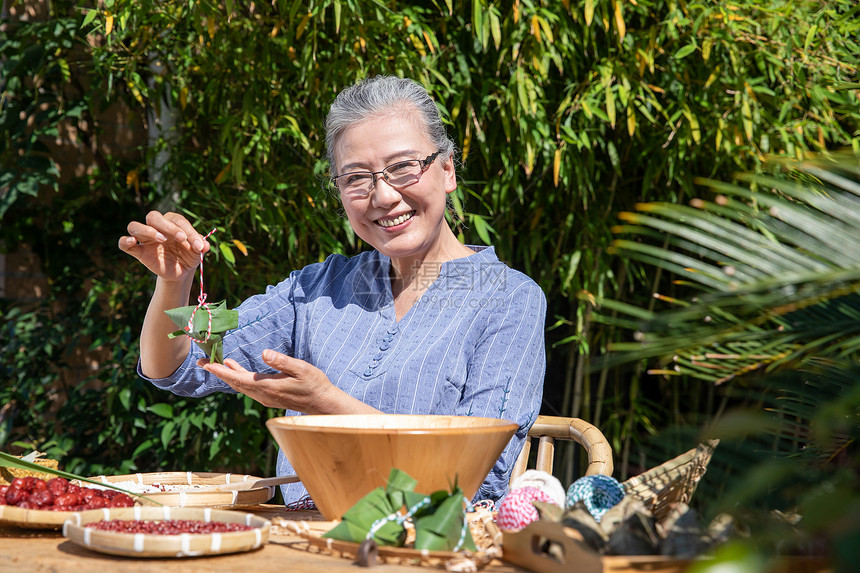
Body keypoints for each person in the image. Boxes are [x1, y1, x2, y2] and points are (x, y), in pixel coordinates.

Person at [118, 75, 547, 507]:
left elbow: (474, 480)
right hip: (301, 544)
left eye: (402, 167)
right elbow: (178, 365)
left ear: (447, 169)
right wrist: (175, 282)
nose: (382, 195)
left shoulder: (508, 298)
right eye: (356, 178)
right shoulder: (316, 287)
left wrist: (328, 403)